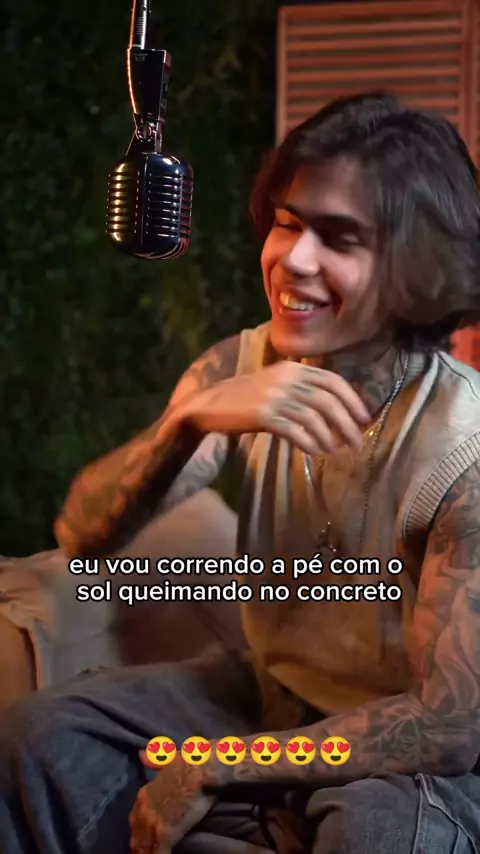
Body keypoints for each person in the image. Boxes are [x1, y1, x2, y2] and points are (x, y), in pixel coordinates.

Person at [1, 90, 480, 854]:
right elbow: (85, 538)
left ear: (415, 270)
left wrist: (218, 767)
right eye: (288, 223)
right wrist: (187, 423)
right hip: (266, 694)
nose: (294, 258)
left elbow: (449, 726)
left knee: (379, 833)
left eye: (338, 237)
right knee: (39, 737)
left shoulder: (464, 448)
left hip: (406, 753)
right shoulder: (242, 364)